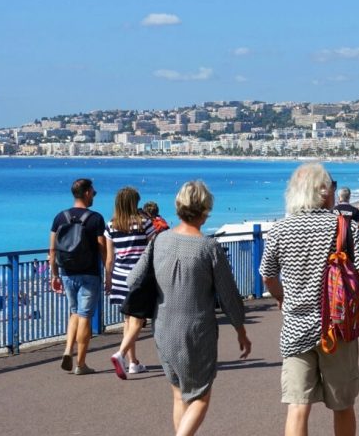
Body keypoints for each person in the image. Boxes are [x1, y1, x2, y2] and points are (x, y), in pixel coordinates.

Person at [127, 180, 251, 435]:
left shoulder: (159, 241)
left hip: (163, 328)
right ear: (205, 210)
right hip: (197, 332)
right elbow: (229, 296)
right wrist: (241, 330)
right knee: (201, 396)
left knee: (178, 395)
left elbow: (133, 280)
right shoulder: (209, 248)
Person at [259, 163, 359, 436]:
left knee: (298, 406)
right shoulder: (341, 226)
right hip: (337, 329)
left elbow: (267, 276)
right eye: (331, 186)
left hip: (295, 330)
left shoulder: (279, 229)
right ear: (322, 191)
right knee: (343, 405)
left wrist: (282, 297)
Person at [49, 178, 106, 375]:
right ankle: (81, 364)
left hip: (67, 272)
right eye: (94, 192)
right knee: (84, 317)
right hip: (89, 273)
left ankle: (67, 350)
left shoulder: (60, 217)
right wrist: (108, 274)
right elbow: (102, 249)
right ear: (87, 193)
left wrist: (54, 274)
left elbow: (53, 249)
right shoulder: (96, 218)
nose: (95, 195)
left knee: (74, 312)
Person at [105, 187, 155, 379]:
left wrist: (108, 279)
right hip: (139, 276)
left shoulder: (111, 225)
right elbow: (153, 249)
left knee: (128, 319)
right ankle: (121, 354)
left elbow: (110, 258)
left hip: (119, 276)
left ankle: (133, 362)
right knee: (138, 319)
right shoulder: (145, 223)